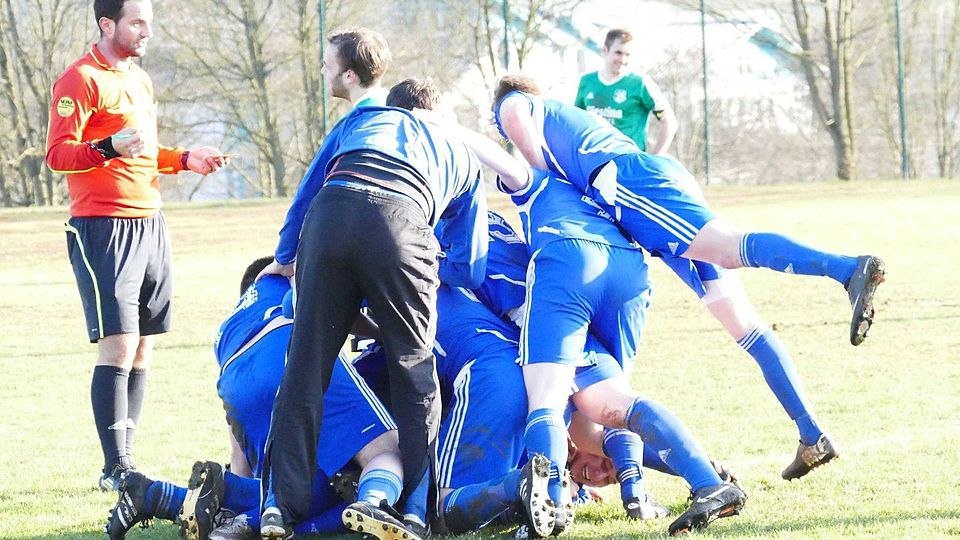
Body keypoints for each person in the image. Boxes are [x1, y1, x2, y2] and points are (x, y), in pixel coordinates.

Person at [255, 79, 511, 540]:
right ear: (439, 114)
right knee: (413, 370)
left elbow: (307, 191)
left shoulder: (362, 118)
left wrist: (286, 257)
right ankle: (415, 511)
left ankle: (279, 509)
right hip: (404, 221)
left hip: (332, 213)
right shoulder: (459, 150)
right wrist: (427, 267)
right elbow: (470, 266)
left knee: (306, 368)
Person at [491, 74, 884, 349]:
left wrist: (537, 180)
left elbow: (531, 156)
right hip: (635, 182)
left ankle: (846, 269)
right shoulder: (569, 120)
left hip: (627, 183)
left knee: (729, 250)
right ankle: (810, 433)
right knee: (733, 313)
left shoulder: (513, 102)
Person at [45, 0, 228, 492]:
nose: (147, 30)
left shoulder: (140, 79)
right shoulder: (80, 79)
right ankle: (116, 469)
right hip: (103, 227)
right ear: (108, 25)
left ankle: (130, 460)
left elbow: (143, 152)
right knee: (120, 343)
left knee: (144, 346)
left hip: (151, 221)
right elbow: (57, 155)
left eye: (148, 20)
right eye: (136, 22)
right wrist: (107, 147)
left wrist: (186, 158)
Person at [105, 258, 405, 540]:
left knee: (281, 489)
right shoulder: (282, 277)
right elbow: (339, 305)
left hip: (234, 382)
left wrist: (234, 482)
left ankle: (158, 495)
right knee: (386, 450)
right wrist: (385, 335)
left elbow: (240, 459)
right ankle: (375, 504)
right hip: (285, 347)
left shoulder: (228, 327)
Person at [574, 28, 678, 154]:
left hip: (628, 163)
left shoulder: (640, 84)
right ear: (605, 51)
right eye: (618, 53)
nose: (623, 60)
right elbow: (576, 121)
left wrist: (655, 157)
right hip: (592, 160)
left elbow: (668, 121)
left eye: (627, 55)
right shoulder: (587, 82)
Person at [322, 28, 391, 108]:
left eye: (327, 66)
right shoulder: (394, 109)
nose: (322, 71)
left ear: (349, 76)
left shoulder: (364, 118)